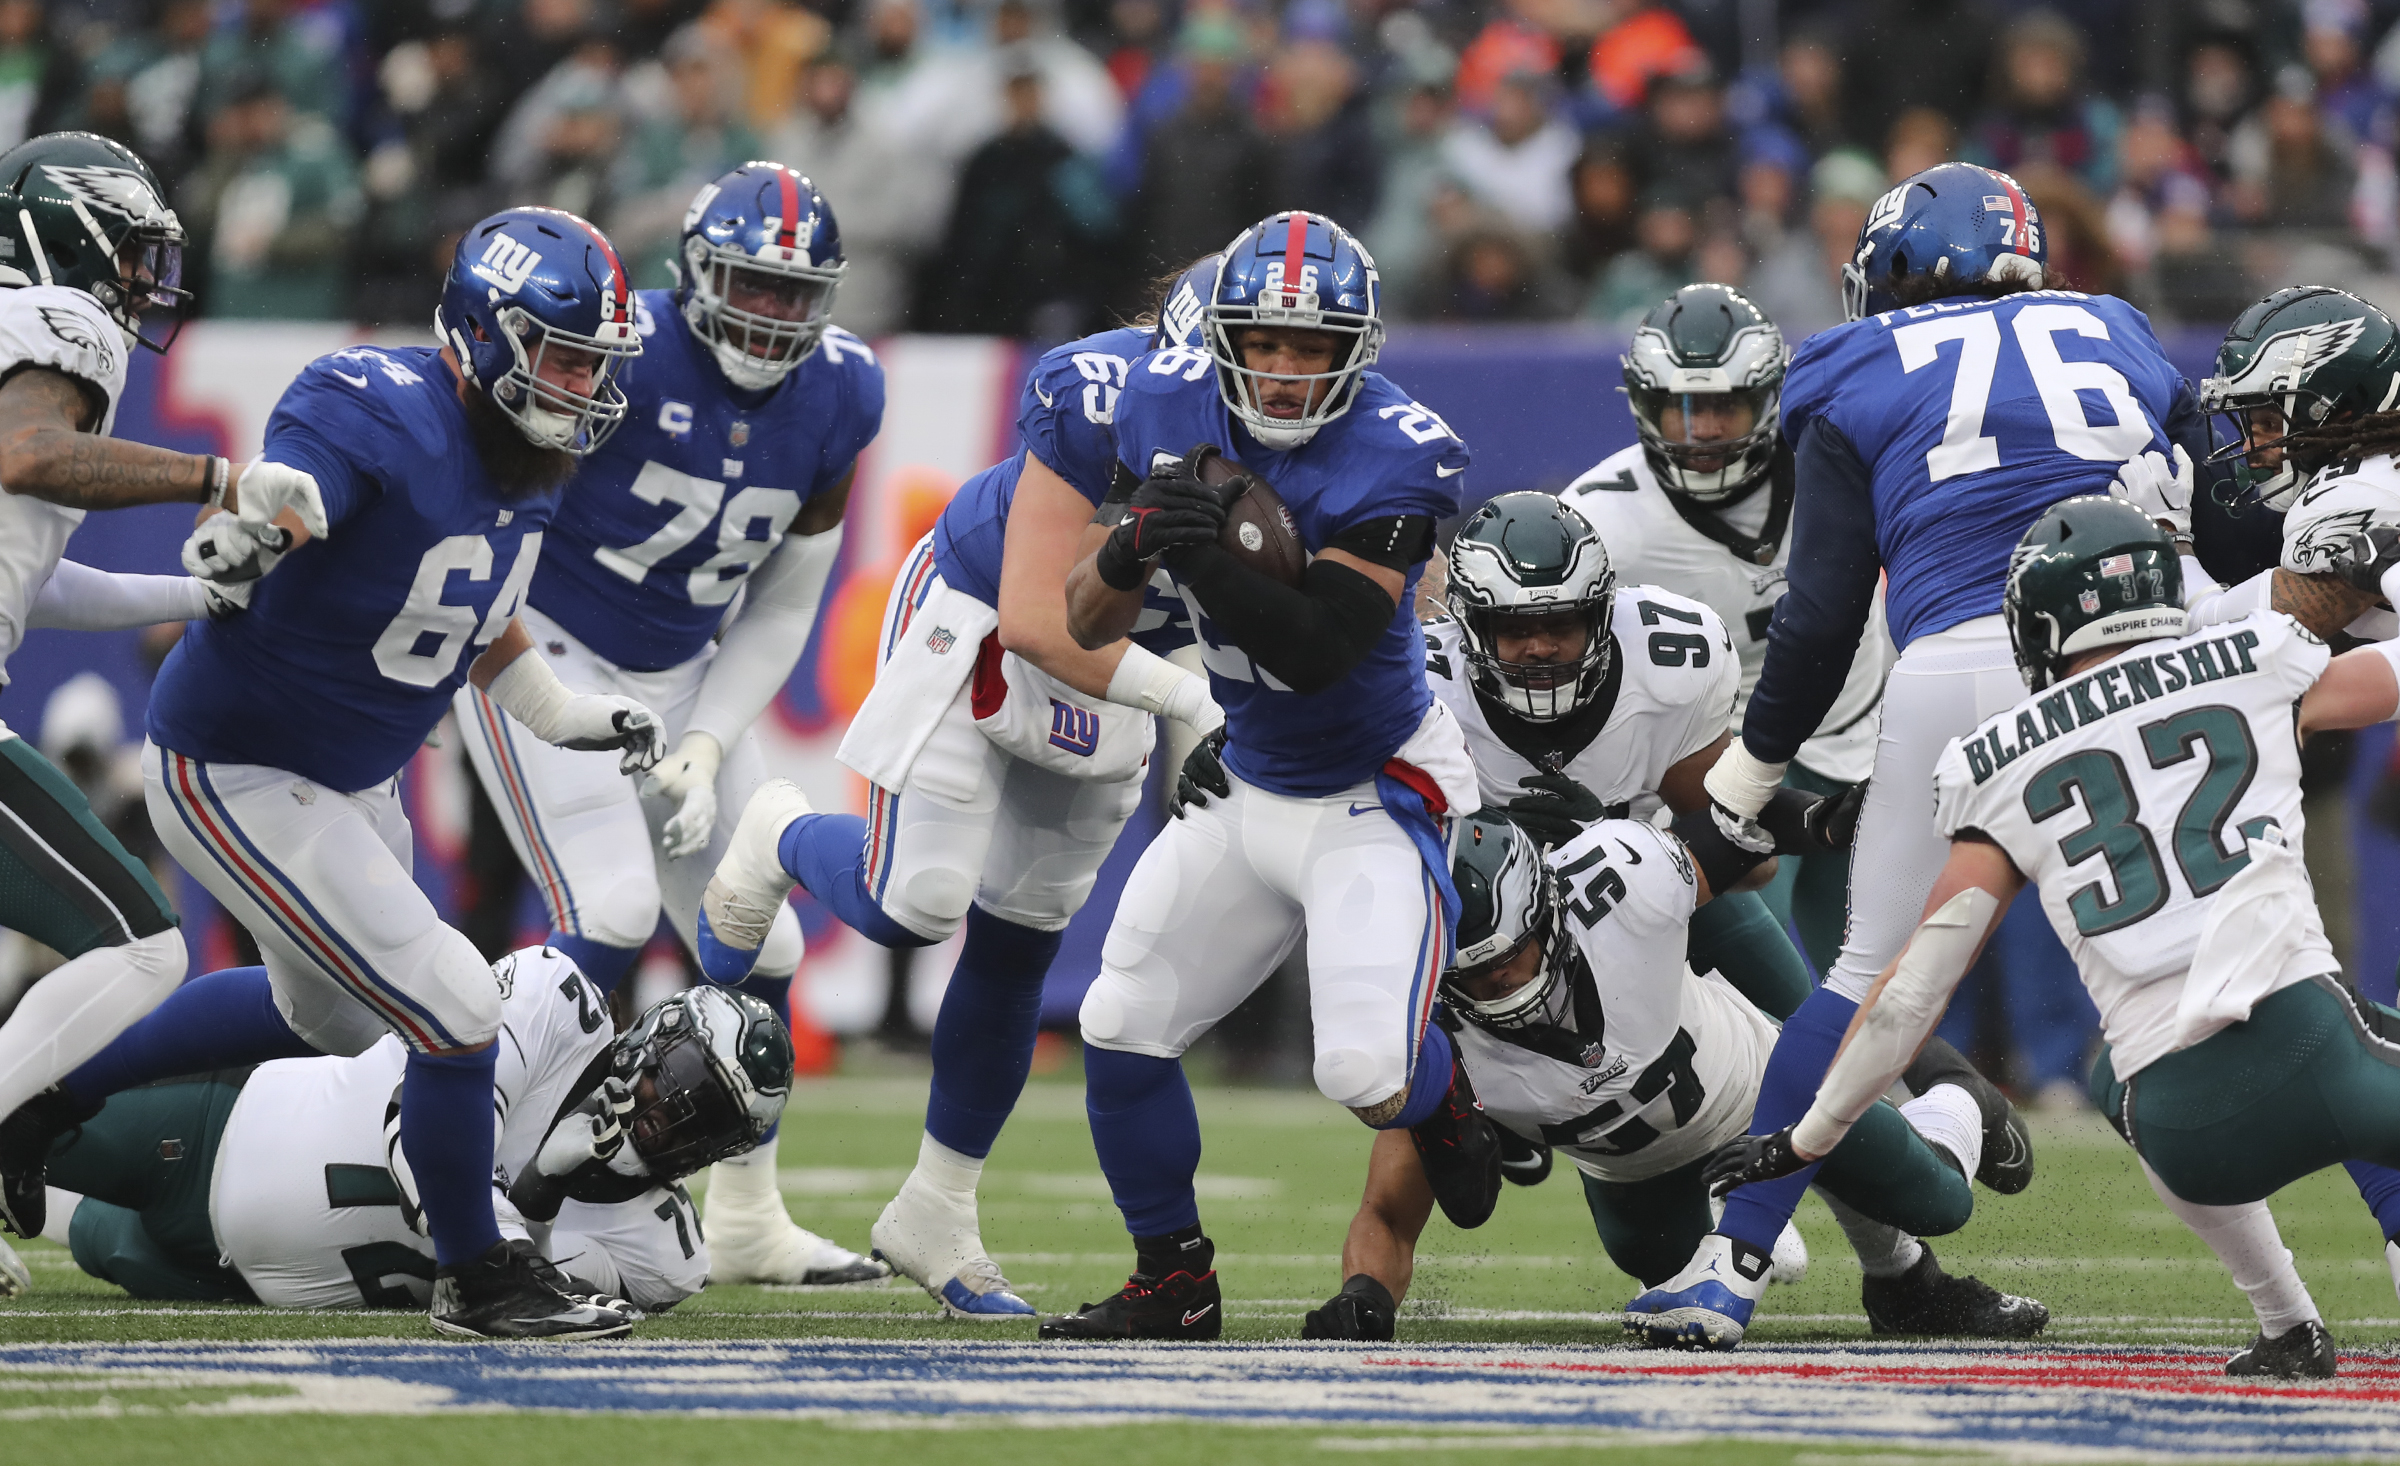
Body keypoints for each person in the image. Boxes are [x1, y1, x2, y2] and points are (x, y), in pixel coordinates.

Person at [6, 206, 662, 1341]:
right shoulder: (376, 406)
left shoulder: (536, 457)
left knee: (331, 1018)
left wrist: (555, 705)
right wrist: (266, 514)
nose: (584, 385)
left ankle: (44, 1101)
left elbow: (479, 608)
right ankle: (479, 1272)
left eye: (596, 363)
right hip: (241, 764)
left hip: (351, 776)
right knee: (456, 1006)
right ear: (484, 335)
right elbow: (291, 487)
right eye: (564, 356)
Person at [1637, 162, 2208, 1348]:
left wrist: (1749, 770)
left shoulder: (1850, 366)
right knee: (2252, 961)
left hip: (1966, 662)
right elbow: (2220, 500)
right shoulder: (2114, 327)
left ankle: (1728, 1270)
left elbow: (1827, 606)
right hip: (2159, 662)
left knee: (1864, 982)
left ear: (1891, 270)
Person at [1708, 496, 2400, 1380]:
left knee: (2118, 1072)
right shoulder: (2254, 659)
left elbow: (1915, 990)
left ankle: (2286, 1324)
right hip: (2324, 1054)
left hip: (2185, 1133)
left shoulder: (1996, 759)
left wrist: (1807, 1136)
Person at [693, 258, 1224, 1318]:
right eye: (1253, 364)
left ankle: (940, 1204)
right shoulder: (1097, 395)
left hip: (1126, 664)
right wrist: (1196, 704)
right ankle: (779, 835)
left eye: (1305, 363)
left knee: (1024, 928)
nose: (1281, 390)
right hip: (985, 612)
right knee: (915, 902)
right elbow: (1040, 617)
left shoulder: (1327, 429)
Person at [1042, 209, 1486, 1340]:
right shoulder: (1159, 402)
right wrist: (1127, 544)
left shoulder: (1400, 449)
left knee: (1362, 1069)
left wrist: (1188, 547)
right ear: (1222, 336)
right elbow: (1082, 619)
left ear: (1359, 350)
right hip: (1250, 777)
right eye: (1267, 342)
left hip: (1375, 784)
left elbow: (1318, 647)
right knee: (1121, 1015)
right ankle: (1172, 1278)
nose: (1287, 371)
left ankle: (1447, 1096)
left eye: (1315, 347)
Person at [450, 163, 884, 1289]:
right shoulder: (615, 350)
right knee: (612, 908)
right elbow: (491, 497)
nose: (772, 315)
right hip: (537, 639)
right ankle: (475, 1186)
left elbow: (787, 596)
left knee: (764, 942)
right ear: (695, 273)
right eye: (751, 285)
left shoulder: (843, 393)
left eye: (796, 295)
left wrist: (706, 740)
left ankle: (745, 1217)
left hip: (683, 669)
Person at [1306, 810, 2046, 1345]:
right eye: (1477, 975)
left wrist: (1819, 823)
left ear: (1548, 913)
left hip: (1762, 1092)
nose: (1502, 985)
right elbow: (1388, 1212)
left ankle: (1958, 1100)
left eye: (1513, 957)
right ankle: (1749, 1212)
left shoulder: (1622, 885)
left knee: (1940, 1201)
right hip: (1630, 1174)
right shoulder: (1428, 1037)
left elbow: (1740, 848)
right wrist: (1364, 1297)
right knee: (1658, 1276)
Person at [0, 130, 331, 1241]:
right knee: (141, 942)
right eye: (134, 252)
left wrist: (192, 600)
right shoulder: (64, 322)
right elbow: (30, 456)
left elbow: (29, 576)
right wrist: (221, 473)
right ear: (71, 232)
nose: (144, 282)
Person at [40, 950, 787, 1315]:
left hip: (243, 1285)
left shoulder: (667, 1253)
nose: (674, 1112)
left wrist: (544, 1190)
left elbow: (520, 1292)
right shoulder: (558, 1006)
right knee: (26, 1130)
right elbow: (419, 1145)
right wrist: (528, 1194)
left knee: (58, 1223)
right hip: (222, 1133)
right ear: (657, 1033)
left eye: (710, 1118)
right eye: (682, 1078)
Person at [1564, 284, 1894, 971]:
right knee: (1738, 987)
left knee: (1888, 987)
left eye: (1724, 405)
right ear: (1644, 405)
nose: (1705, 430)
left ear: (1769, 398)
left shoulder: (1839, 463)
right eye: (1682, 409)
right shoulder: (1601, 519)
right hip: (1721, 763)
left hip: (1868, 736)